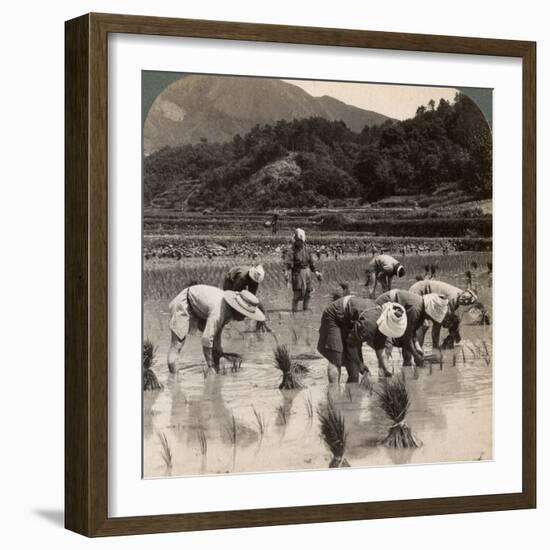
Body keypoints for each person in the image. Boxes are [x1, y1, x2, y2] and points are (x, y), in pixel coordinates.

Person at [167, 285, 265, 374]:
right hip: (184, 304)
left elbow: (216, 333)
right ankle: (174, 383)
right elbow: (206, 339)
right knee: (177, 345)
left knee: (216, 350)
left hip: (200, 308)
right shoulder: (218, 312)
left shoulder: (228, 310)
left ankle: (214, 379)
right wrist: (210, 365)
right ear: (237, 309)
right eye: (244, 314)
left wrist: (219, 351)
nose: (244, 318)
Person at [317, 295, 407, 383]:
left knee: (354, 371)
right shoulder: (371, 324)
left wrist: (387, 370)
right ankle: (334, 392)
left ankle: (350, 392)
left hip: (351, 321)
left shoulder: (382, 324)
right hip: (335, 316)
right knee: (336, 357)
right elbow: (351, 344)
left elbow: (381, 349)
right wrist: (360, 364)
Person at [376, 289, 449, 368]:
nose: (431, 320)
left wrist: (417, 347)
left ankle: (405, 369)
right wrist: (416, 355)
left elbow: (412, 332)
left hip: (396, 313)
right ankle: (383, 375)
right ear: (430, 312)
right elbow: (407, 337)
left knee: (408, 349)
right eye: (432, 318)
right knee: (387, 344)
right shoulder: (415, 310)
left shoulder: (421, 311)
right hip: (384, 307)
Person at [409, 279, 478, 351]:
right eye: (466, 298)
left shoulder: (459, 296)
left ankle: (417, 349)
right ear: (465, 292)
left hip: (423, 292)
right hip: (418, 291)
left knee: (452, 320)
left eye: (468, 302)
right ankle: (416, 351)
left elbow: (451, 319)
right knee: (423, 325)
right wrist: (435, 347)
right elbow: (437, 324)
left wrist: (458, 340)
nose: (465, 301)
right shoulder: (452, 298)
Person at [285, 228, 322, 312]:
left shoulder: (307, 250)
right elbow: (288, 262)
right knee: (297, 292)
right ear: (295, 240)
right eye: (298, 241)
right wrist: (286, 272)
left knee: (308, 291)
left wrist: (316, 272)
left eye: (301, 241)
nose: (299, 243)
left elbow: (311, 263)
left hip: (307, 271)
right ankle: (294, 310)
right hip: (297, 272)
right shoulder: (292, 250)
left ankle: (305, 308)